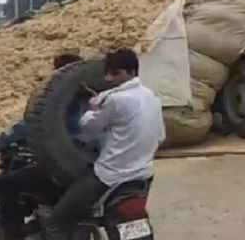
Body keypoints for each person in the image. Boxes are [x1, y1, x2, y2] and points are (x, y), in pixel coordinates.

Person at [44, 48, 165, 240]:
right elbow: (160, 136)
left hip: (109, 176)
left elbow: (88, 129)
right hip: (143, 175)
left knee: (57, 221)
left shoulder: (116, 100)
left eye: (116, 73)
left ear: (132, 72)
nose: (109, 78)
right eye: (108, 73)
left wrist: (92, 108)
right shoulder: (152, 97)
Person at [0, 53, 83, 239]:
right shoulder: (97, 97)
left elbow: (28, 126)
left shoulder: (58, 100)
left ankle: (12, 234)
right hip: (93, 170)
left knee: (5, 183)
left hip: (61, 174)